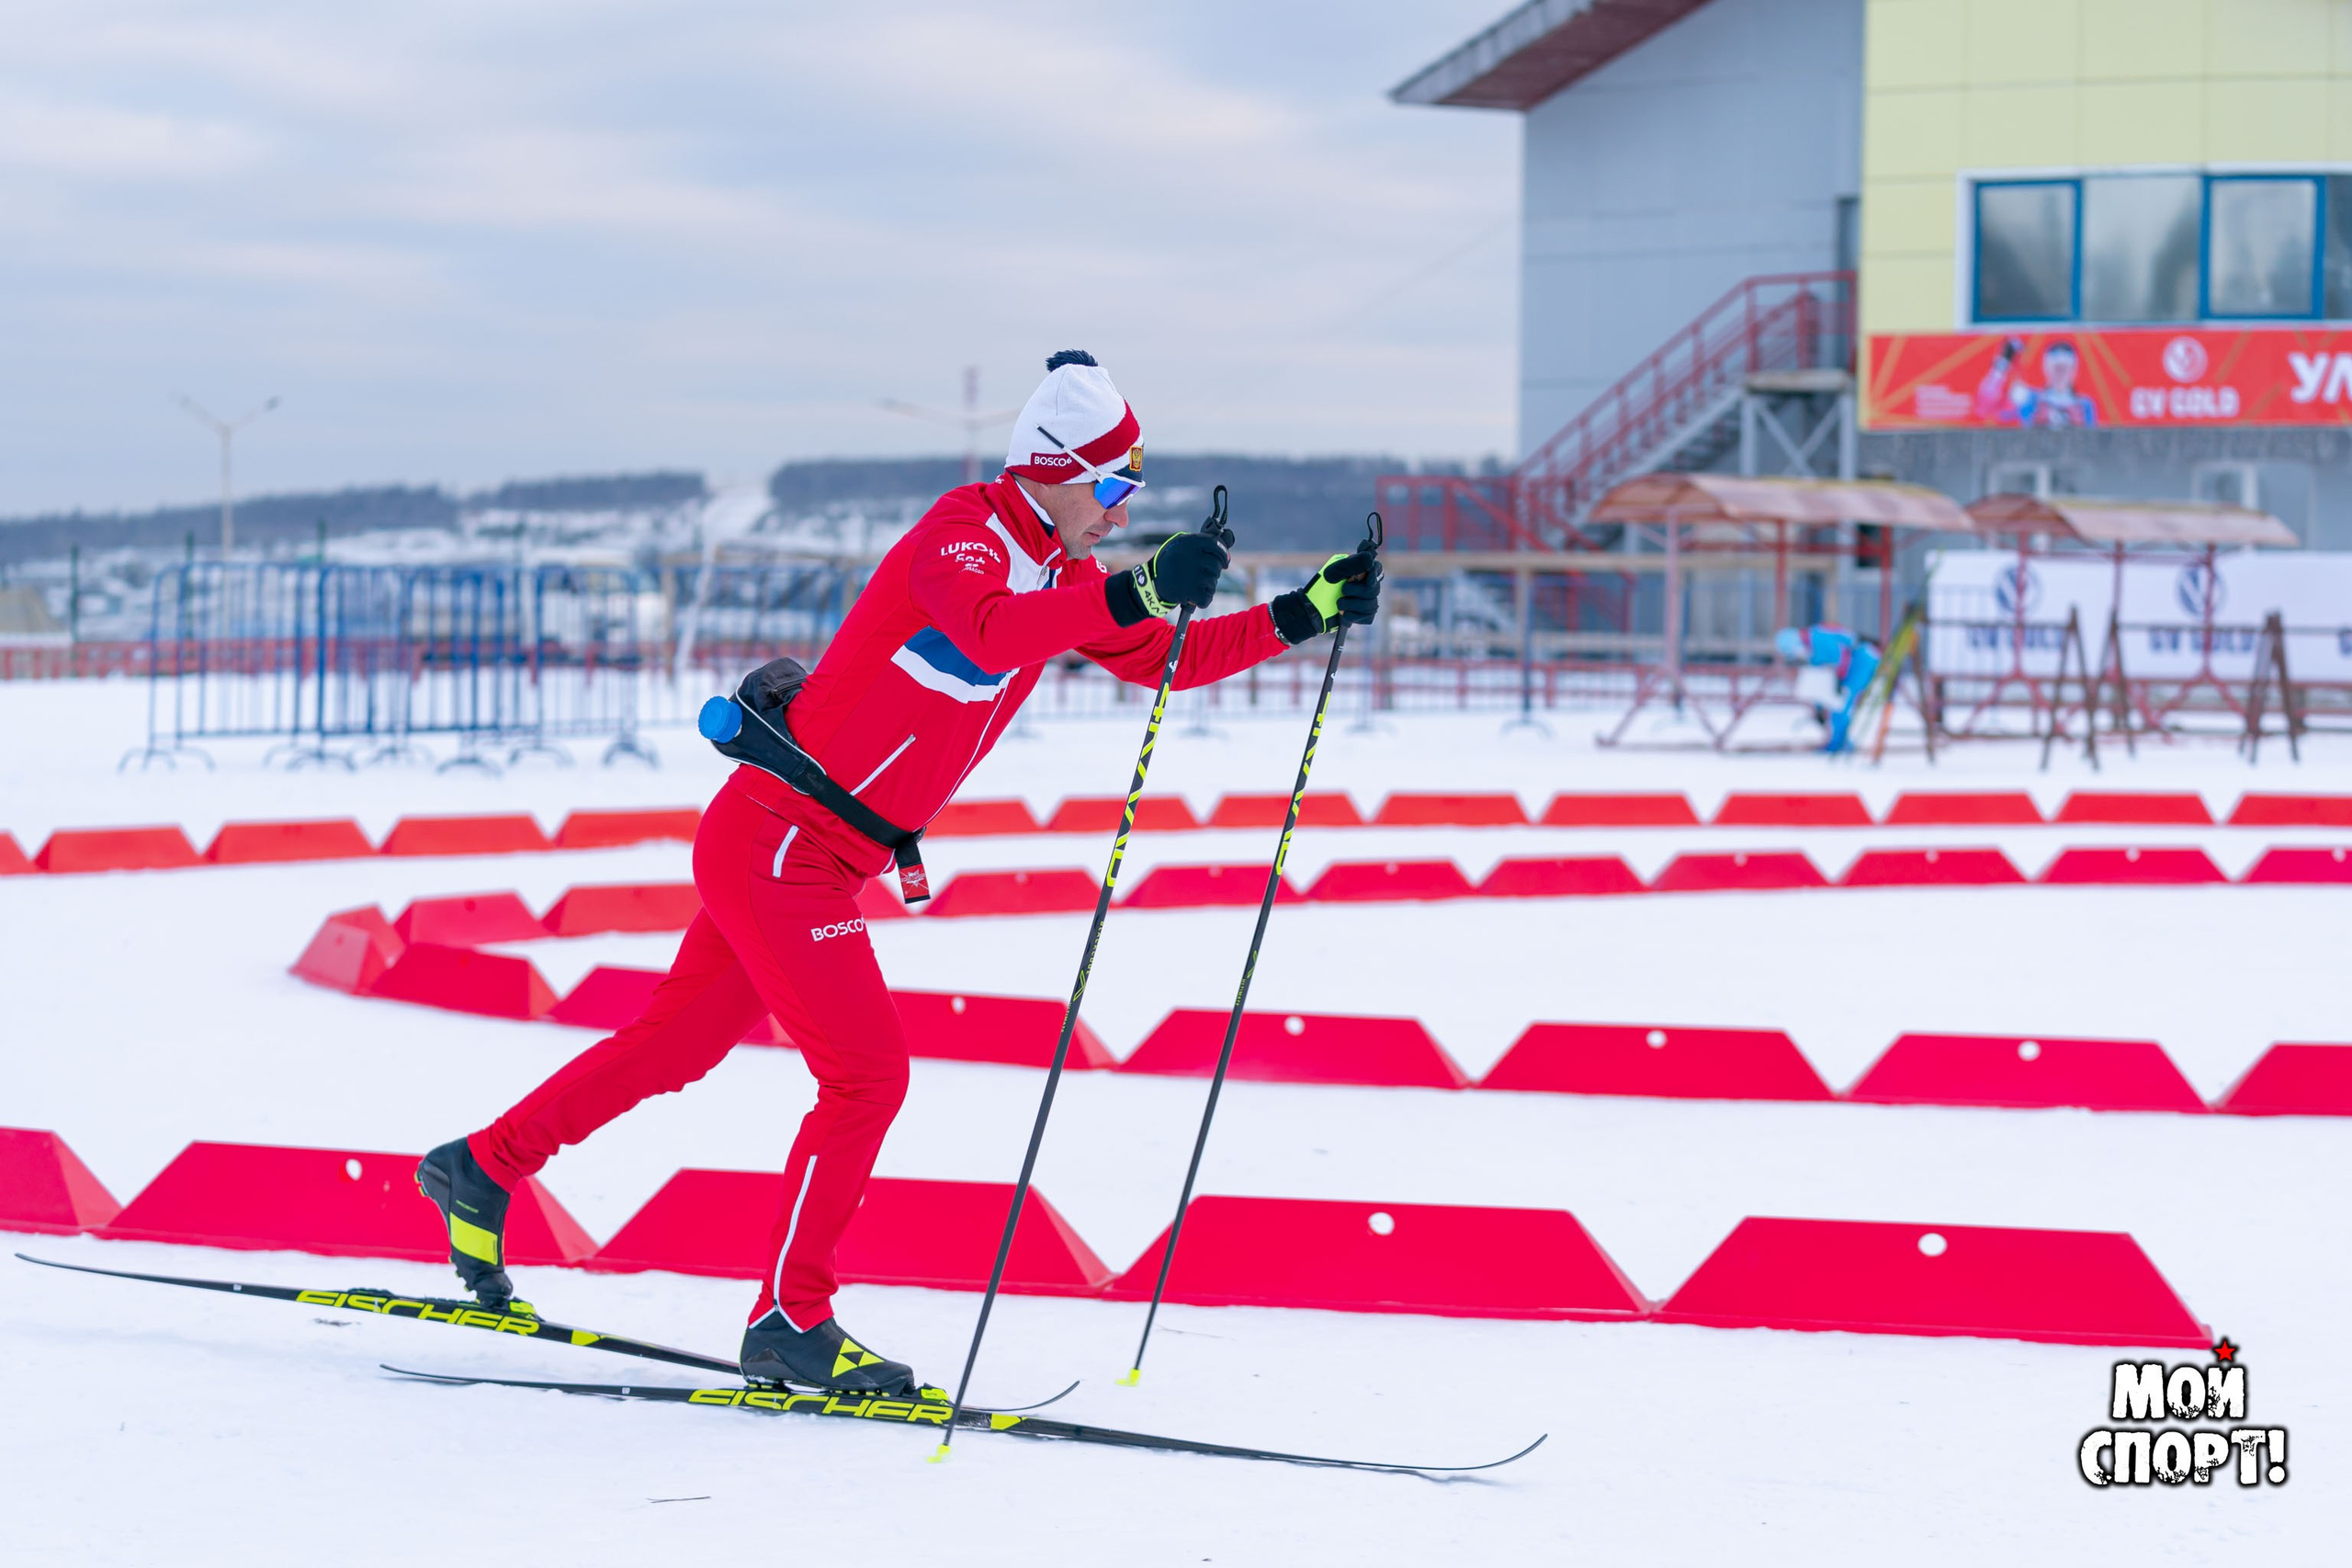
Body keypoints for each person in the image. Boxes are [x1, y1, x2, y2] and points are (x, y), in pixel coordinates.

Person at [413, 351, 1381, 1395]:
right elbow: (985, 629)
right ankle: (791, 1317)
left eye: (1130, 494)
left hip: (804, 850)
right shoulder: (961, 535)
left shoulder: (1060, 572)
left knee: (678, 1043)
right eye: (1108, 487)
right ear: (1049, 470)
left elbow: (1167, 659)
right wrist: (1135, 586)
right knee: (867, 1072)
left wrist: (1305, 610)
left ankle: (481, 1165)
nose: (1117, 509)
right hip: (784, 845)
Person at [1775, 623, 1880, 753]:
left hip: (1862, 661)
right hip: (1853, 665)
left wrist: (1838, 682)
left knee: (1841, 704)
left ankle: (1838, 745)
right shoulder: (1811, 645)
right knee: (1838, 704)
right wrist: (1819, 707)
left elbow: (1841, 658)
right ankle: (1840, 742)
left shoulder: (1817, 639)